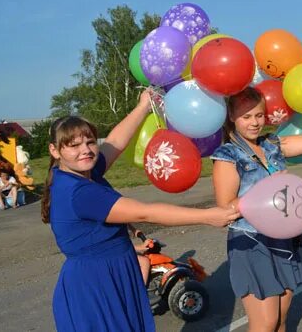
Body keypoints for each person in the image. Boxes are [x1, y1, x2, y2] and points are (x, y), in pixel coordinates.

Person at [43, 90, 240, 332]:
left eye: (90, 141)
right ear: (55, 151)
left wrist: (143, 107)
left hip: (108, 270)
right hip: (98, 281)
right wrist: (207, 216)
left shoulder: (78, 173)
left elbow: (114, 143)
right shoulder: (80, 192)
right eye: (74, 145)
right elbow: (145, 213)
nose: (85, 149)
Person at [211, 87, 302, 332]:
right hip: (251, 242)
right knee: (265, 323)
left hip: (283, 239)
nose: (255, 123)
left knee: (281, 320)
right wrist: (269, 192)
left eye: (259, 115)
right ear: (231, 117)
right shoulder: (227, 155)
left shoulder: (272, 144)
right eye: (247, 117)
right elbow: (225, 209)